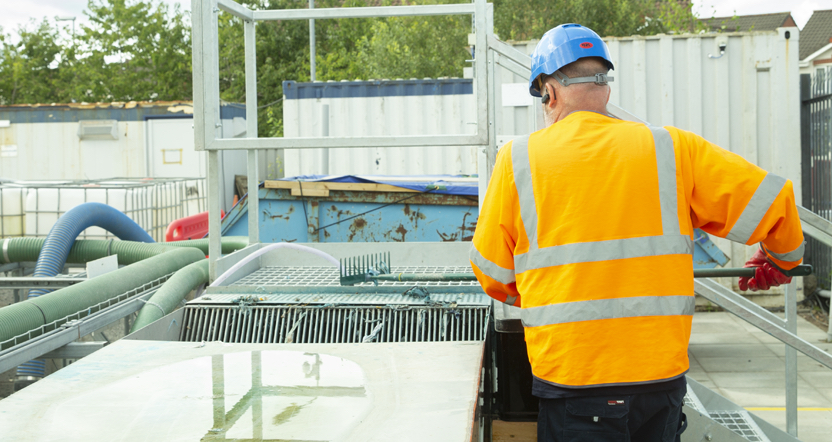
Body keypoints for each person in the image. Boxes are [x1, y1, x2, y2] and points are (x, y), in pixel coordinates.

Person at [470, 23, 805, 441]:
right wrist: (782, 259)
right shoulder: (671, 149)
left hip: (575, 379)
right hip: (657, 380)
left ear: (549, 93)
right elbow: (773, 201)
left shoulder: (518, 160)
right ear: (605, 88)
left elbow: (492, 273)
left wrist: (549, 289)